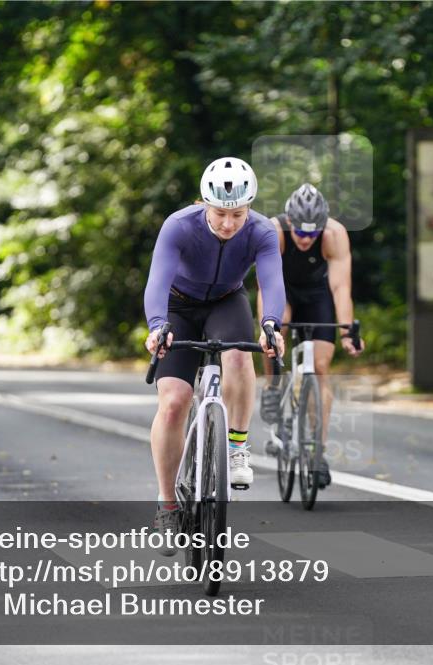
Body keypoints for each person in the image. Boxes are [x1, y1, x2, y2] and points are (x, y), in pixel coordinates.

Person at [143, 157, 286, 554]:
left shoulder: (261, 231)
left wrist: (272, 324)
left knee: (240, 355)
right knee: (174, 401)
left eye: (237, 214)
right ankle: (167, 503)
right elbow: (158, 280)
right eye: (220, 213)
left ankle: (237, 445)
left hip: (226, 302)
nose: (228, 223)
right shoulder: (179, 226)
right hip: (177, 306)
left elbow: (272, 281)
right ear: (204, 204)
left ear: (250, 207)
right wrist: (157, 326)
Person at [257, 183, 364, 489]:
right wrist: (270, 327)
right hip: (283, 292)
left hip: (317, 296)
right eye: (300, 233)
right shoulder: (274, 231)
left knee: (320, 367)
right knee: (279, 327)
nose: (305, 239)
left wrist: (346, 332)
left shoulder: (334, 234)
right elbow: (266, 286)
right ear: (289, 222)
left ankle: (317, 451)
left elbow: (341, 288)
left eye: (312, 233)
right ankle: (273, 387)